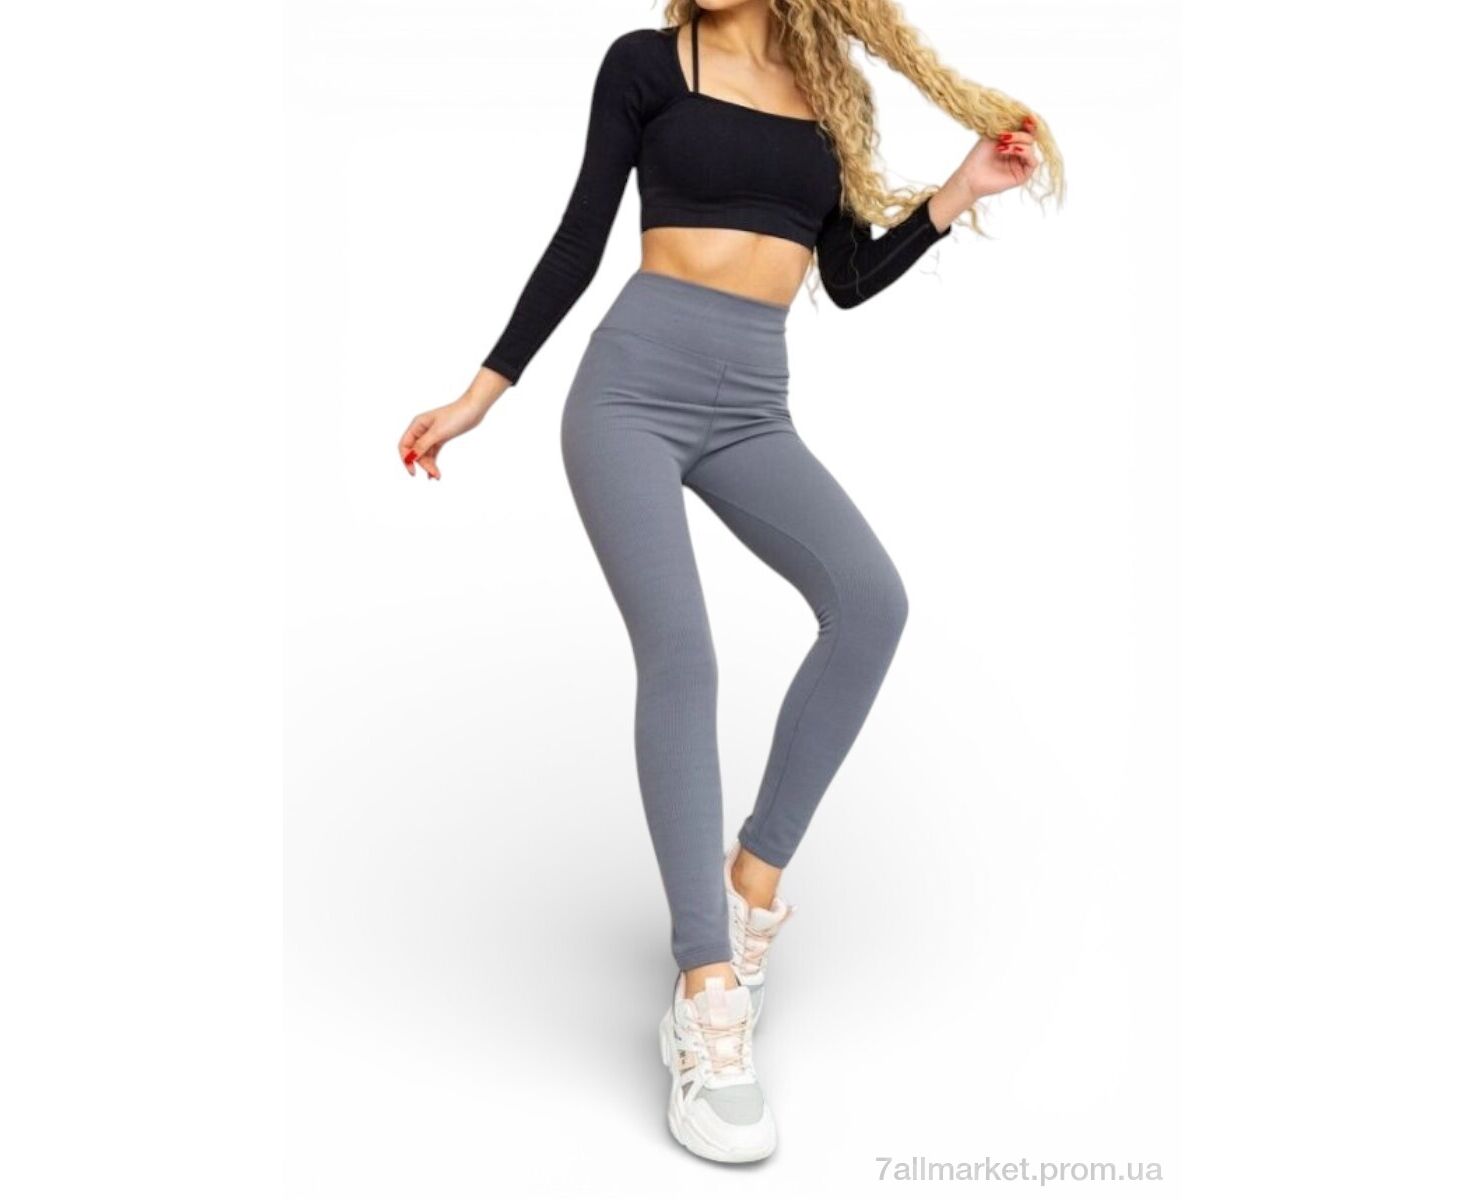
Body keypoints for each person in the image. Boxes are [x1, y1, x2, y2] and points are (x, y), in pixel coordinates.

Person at [396, 0, 1062, 1163]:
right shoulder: (648, 65)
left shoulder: (828, 96)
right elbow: (579, 236)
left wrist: (958, 192)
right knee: (685, 654)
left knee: (871, 603)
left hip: (753, 406)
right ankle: (705, 994)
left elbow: (844, 278)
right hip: (630, 394)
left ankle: (752, 882)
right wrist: (481, 394)